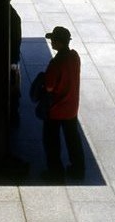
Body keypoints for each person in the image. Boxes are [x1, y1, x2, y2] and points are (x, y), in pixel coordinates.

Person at [37, 26, 85, 180]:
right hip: (71, 107)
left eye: (53, 40)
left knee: (51, 141)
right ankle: (78, 170)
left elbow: (50, 86)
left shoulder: (56, 63)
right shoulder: (74, 57)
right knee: (73, 140)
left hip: (56, 109)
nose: (51, 42)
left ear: (59, 43)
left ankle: (55, 172)